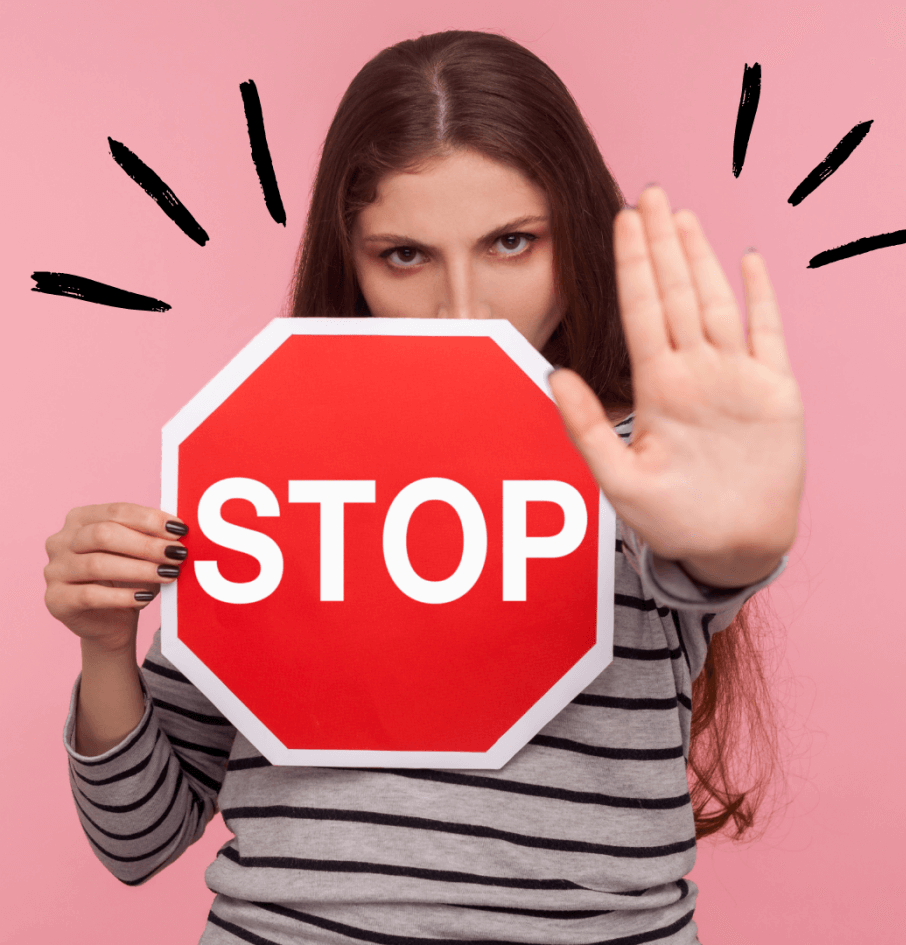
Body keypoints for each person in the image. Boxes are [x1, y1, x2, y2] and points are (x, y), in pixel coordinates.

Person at [44, 30, 805, 945]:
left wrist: (735, 539)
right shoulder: (274, 467)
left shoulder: (645, 461)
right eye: (404, 255)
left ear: (578, 235)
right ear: (349, 259)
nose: (463, 310)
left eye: (511, 243)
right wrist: (103, 642)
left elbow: (706, 559)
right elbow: (139, 836)